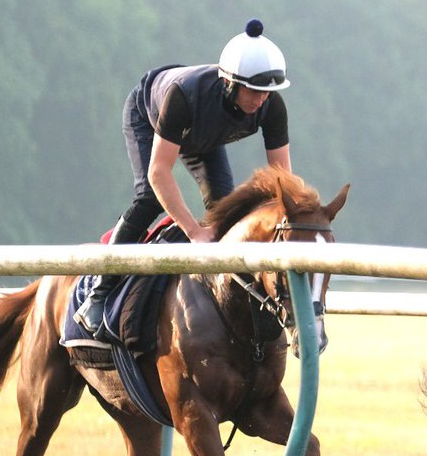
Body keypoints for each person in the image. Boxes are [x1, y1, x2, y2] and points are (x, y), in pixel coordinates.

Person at [74, 18, 292, 333]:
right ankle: (99, 293)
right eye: (254, 91)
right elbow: (159, 172)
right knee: (150, 198)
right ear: (230, 82)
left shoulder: (272, 106)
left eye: (267, 93)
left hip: (204, 135)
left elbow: (281, 181)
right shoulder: (183, 96)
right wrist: (193, 231)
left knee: (225, 209)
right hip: (149, 115)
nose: (261, 100)